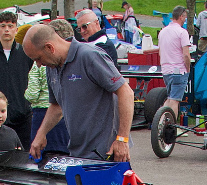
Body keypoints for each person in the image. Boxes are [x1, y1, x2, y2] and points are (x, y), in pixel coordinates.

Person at [23, 21, 133, 163]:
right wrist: (41, 134)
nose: (38, 64)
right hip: (77, 152)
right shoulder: (51, 67)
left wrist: (122, 139)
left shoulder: (89, 56)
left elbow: (125, 92)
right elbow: (57, 106)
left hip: (105, 153)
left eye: (38, 58)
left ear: (50, 48)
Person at [0, 11, 32, 148]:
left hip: (23, 115)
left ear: (16, 29)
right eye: (3, 26)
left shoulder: (26, 54)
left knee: (24, 154)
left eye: (10, 26)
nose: (7, 30)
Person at [157, 6, 194, 126]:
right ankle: (171, 126)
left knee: (169, 98)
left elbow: (160, 51)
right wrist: (187, 68)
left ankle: (160, 122)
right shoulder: (182, 32)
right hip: (178, 69)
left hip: (166, 69)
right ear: (181, 16)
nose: (185, 20)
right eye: (185, 17)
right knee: (175, 100)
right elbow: (186, 55)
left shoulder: (163, 31)